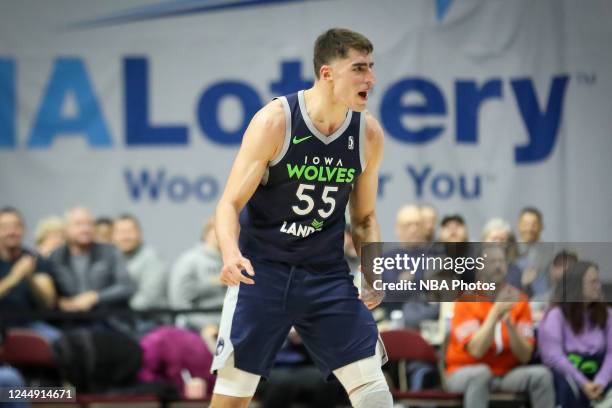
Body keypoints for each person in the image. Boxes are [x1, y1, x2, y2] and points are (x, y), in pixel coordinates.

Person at [211, 28, 391, 408]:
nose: (370, 79)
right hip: (264, 274)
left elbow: (364, 217)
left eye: (372, 68)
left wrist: (373, 270)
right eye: (359, 68)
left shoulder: (369, 135)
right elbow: (229, 204)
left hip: (325, 274)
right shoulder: (275, 121)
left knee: (374, 393)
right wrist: (230, 253)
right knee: (231, 401)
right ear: (327, 74)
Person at [445, 245, 554, 408]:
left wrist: (509, 323)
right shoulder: (465, 301)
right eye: (491, 261)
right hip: (463, 372)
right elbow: (476, 350)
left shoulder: (520, 300)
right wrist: (495, 312)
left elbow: (525, 356)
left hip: (506, 374)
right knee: (482, 373)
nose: (497, 265)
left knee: (541, 375)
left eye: (501, 261)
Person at [538, 261, 612, 408]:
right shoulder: (556, 315)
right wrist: (584, 383)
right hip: (569, 376)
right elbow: (553, 357)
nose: (598, 286)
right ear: (577, 285)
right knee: (567, 387)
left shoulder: (606, 314)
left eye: (598, 281)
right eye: (593, 282)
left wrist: (600, 381)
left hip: (600, 377)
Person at [0, 207, 60, 341]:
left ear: (24, 229)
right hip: (2, 323)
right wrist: (14, 277)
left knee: (58, 341)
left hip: (30, 324)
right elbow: (14, 278)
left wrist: (30, 278)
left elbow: (48, 304)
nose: (11, 232)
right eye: (4, 227)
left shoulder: (35, 260)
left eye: (16, 226)